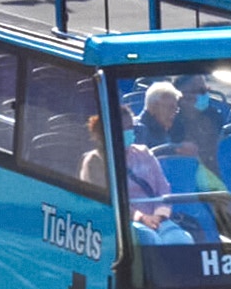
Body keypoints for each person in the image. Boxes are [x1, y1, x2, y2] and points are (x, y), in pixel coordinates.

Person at [80, 113, 191, 245]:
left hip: (157, 218)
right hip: (124, 222)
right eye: (124, 128)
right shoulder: (95, 161)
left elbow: (163, 188)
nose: (129, 131)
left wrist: (159, 215)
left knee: (181, 240)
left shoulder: (143, 152)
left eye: (131, 127)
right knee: (149, 239)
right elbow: (107, 200)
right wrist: (141, 218)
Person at [132, 81, 197, 157]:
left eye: (176, 109)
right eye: (170, 107)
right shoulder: (138, 129)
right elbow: (140, 159)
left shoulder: (163, 129)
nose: (174, 113)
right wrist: (175, 149)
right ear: (154, 107)